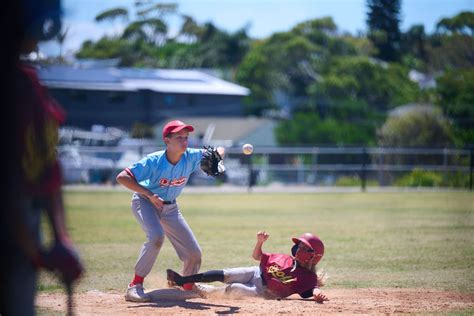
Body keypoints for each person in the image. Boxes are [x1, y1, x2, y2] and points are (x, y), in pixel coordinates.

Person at [0, 0, 83, 315]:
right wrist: (37, 251)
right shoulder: (19, 89)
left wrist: (60, 237)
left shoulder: (28, 85)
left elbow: (48, 166)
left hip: (23, 234)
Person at [116, 119, 226, 302]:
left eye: (186, 137)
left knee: (193, 253)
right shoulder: (154, 161)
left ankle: (187, 284)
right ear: (167, 140)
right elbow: (122, 177)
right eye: (179, 137)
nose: (184, 141)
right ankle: (134, 286)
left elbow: (220, 150)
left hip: (171, 208)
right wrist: (149, 194)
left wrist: (218, 158)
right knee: (157, 237)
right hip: (145, 202)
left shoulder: (190, 156)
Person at [166, 231, 328, 303]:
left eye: (303, 247)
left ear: (313, 256)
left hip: (262, 291)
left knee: (233, 288)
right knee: (226, 274)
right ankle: (183, 281)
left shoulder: (308, 278)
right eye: (299, 245)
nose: (298, 248)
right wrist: (260, 242)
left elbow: (314, 289)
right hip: (255, 272)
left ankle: (203, 291)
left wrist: (318, 295)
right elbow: (257, 257)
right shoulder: (284, 258)